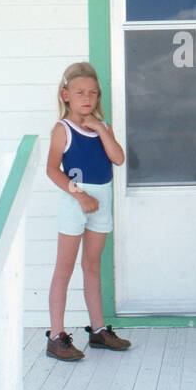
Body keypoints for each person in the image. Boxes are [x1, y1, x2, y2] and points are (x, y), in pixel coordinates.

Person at [44, 61, 131, 361]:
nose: (87, 98)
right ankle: (56, 336)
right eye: (80, 92)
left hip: (101, 201)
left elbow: (118, 159)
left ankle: (97, 330)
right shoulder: (62, 129)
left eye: (93, 93)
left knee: (92, 267)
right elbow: (52, 170)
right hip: (75, 201)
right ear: (65, 95)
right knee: (64, 269)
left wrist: (99, 128)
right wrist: (80, 196)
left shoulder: (102, 127)